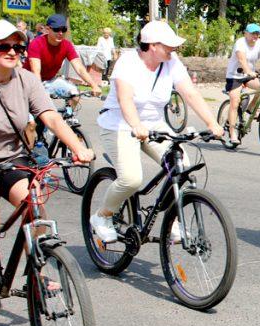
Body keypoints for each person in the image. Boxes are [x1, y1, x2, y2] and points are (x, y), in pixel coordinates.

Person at [0, 20, 94, 305]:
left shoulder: (27, 80)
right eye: (3, 46)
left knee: (35, 206)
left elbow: (50, 116)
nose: (12, 51)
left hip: (11, 158)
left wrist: (78, 148)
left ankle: (35, 271)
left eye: (18, 46)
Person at [88, 21, 225, 244]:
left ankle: (173, 222)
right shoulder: (128, 62)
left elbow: (190, 93)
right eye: (169, 45)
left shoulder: (171, 62)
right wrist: (135, 125)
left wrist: (212, 123)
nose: (174, 49)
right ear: (152, 45)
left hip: (154, 124)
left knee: (181, 167)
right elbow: (125, 99)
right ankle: (102, 216)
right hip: (120, 124)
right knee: (131, 179)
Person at [223, 23, 260, 144]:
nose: (255, 35)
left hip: (249, 75)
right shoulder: (240, 43)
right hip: (235, 76)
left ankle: (252, 107)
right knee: (235, 101)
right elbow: (241, 59)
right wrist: (248, 71)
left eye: (257, 33)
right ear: (246, 33)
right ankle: (232, 133)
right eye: (253, 33)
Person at [27, 13, 96, 97]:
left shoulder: (67, 45)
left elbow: (79, 68)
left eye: (63, 29)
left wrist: (94, 85)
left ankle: (69, 110)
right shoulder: (36, 43)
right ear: (48, 29)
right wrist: (39, 91)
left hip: (49, 81)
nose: (60, 33)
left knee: (75, 93)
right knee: (39, 105)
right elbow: (36, 71)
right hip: (30, 80)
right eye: (56, 29)